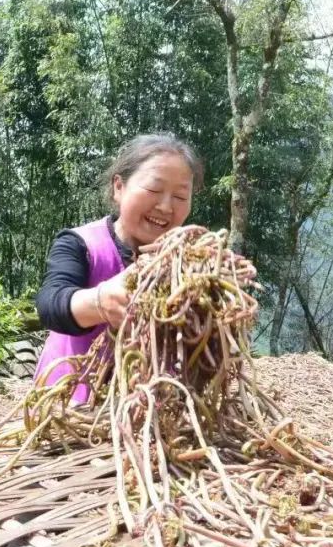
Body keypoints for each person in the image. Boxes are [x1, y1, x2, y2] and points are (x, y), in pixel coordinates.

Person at [34, 133, 205, 401]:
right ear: (118, 187)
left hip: (152, 415)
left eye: (181, 197)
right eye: (154, 190)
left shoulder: (192, 266)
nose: (165, 206)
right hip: (69, 409)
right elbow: (50, 304)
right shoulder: (82, 244)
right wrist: (100, 301)